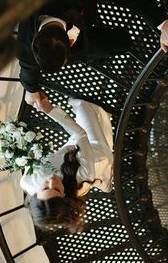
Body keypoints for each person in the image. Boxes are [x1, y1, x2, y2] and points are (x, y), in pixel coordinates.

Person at [17, 0, 168, 112]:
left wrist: (162, 23)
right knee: (116, 45)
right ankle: (103, 53)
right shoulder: (26, 45)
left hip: (82, 12)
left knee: (123, 40)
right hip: (85, 47)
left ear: (71, 42)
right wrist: (31, 91)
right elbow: (27, 69)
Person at [21, 97, 113, 232]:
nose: (51, 181)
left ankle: (101, 181)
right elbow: (81, 135)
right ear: (63, 195)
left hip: (73, 148)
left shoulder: (27, 181)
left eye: (45, 188)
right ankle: (105, 175)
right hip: (96, 151)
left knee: (79, 104)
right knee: (81, 103)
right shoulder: (84, 174)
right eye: (56, 189)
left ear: (36, 194)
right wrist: (50, 110)